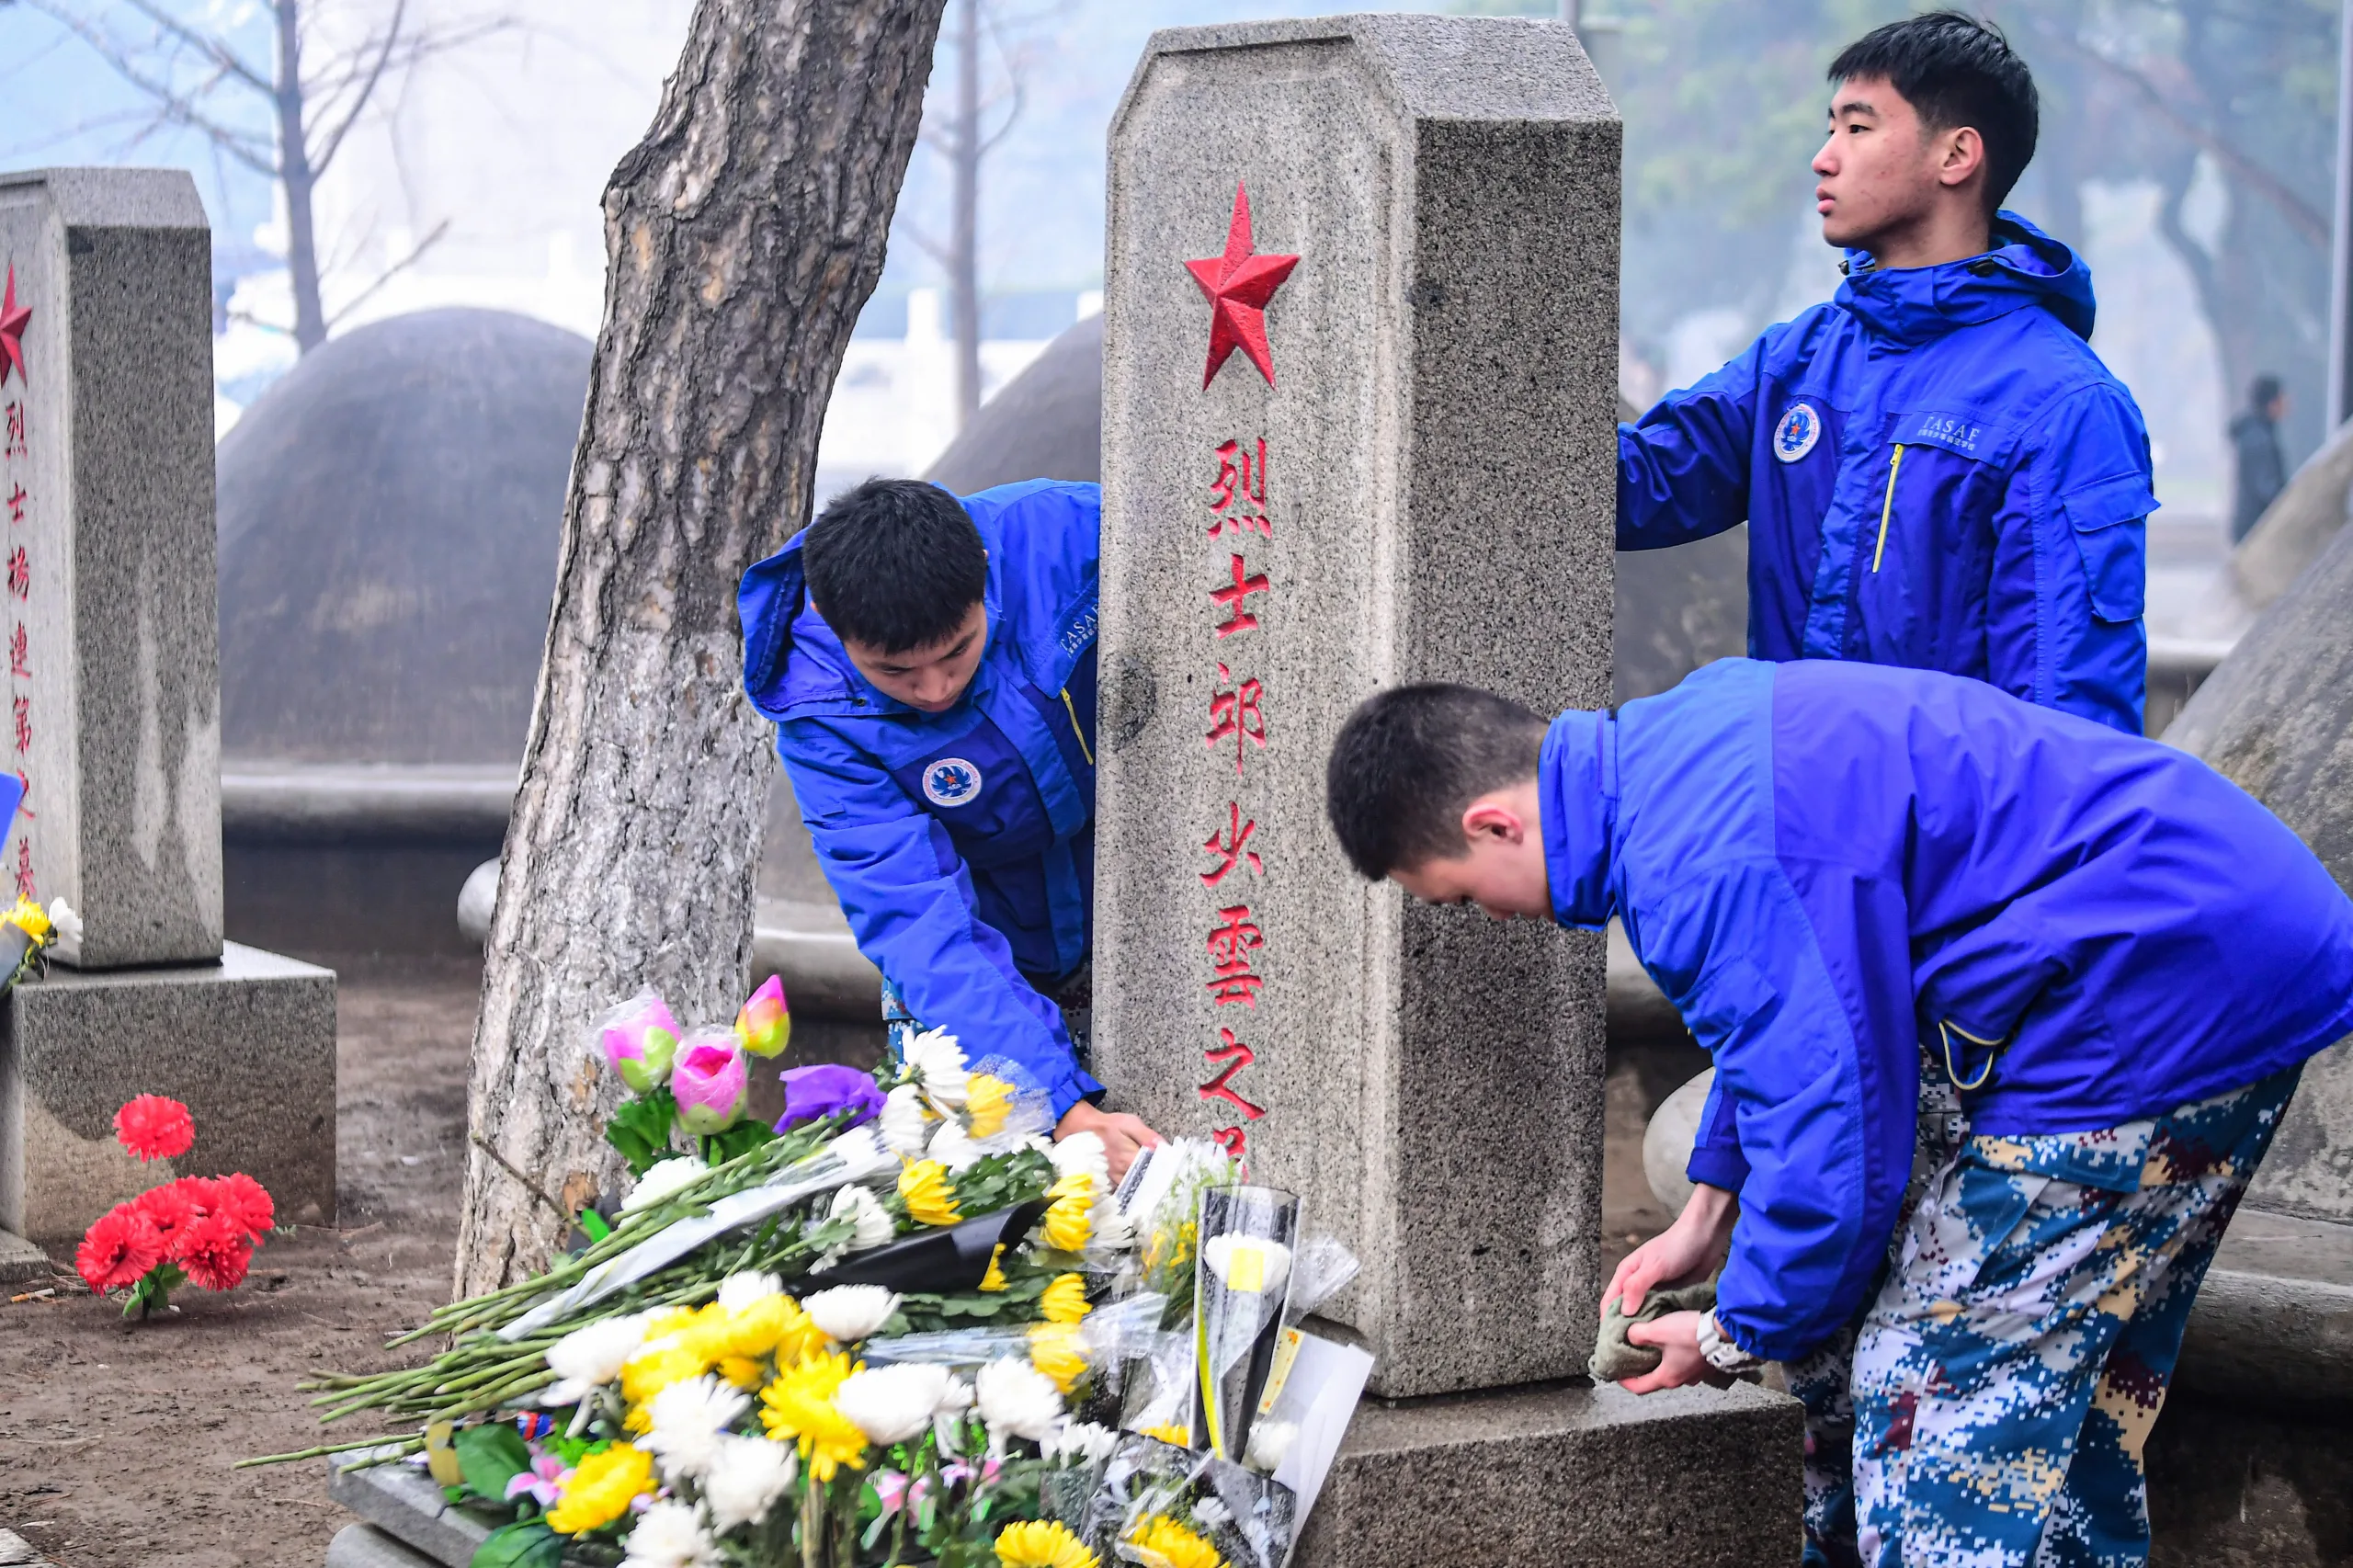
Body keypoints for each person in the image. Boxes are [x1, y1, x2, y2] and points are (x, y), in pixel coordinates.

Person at [1322, 661, 2353, 1568]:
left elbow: (1833, 1134)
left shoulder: (1699, 862)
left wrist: (1732, 1334)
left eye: (1460, 895)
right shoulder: (1675, 758)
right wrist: (1708, 1204)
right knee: (2052, 1397)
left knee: (1941, 1389)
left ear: (1491, 823)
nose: (1489, 917)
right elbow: (1798, 1016)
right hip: (2218, 948)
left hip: (2147, 999)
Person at [1619, 12, 2155, 735]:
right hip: (1789, 820)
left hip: (1941, 839)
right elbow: (1635, 486)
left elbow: (2072, 720)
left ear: (1957, 155)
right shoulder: (1799, 359)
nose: (1824, 156)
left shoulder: (2064, 406)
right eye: (1830, 127)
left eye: (1858, 128)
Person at [738, 477, 1162, 1177]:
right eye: (895, 672)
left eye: (958, 651)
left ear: (985, 572)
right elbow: (917, 918)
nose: (935, 691)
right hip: (972, 964)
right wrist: (1057, 1107)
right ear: (828, 618)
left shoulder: (1068, 539)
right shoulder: (820, 717)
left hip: (1128, 908)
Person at [2229, 374, 2289, 544]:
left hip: (2250, 524)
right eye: (2283, 398)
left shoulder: (2256, 433)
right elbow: (2268, 487)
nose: (2287, 403)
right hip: (2255, 527)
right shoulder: (2259, 439)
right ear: (2272, 403)